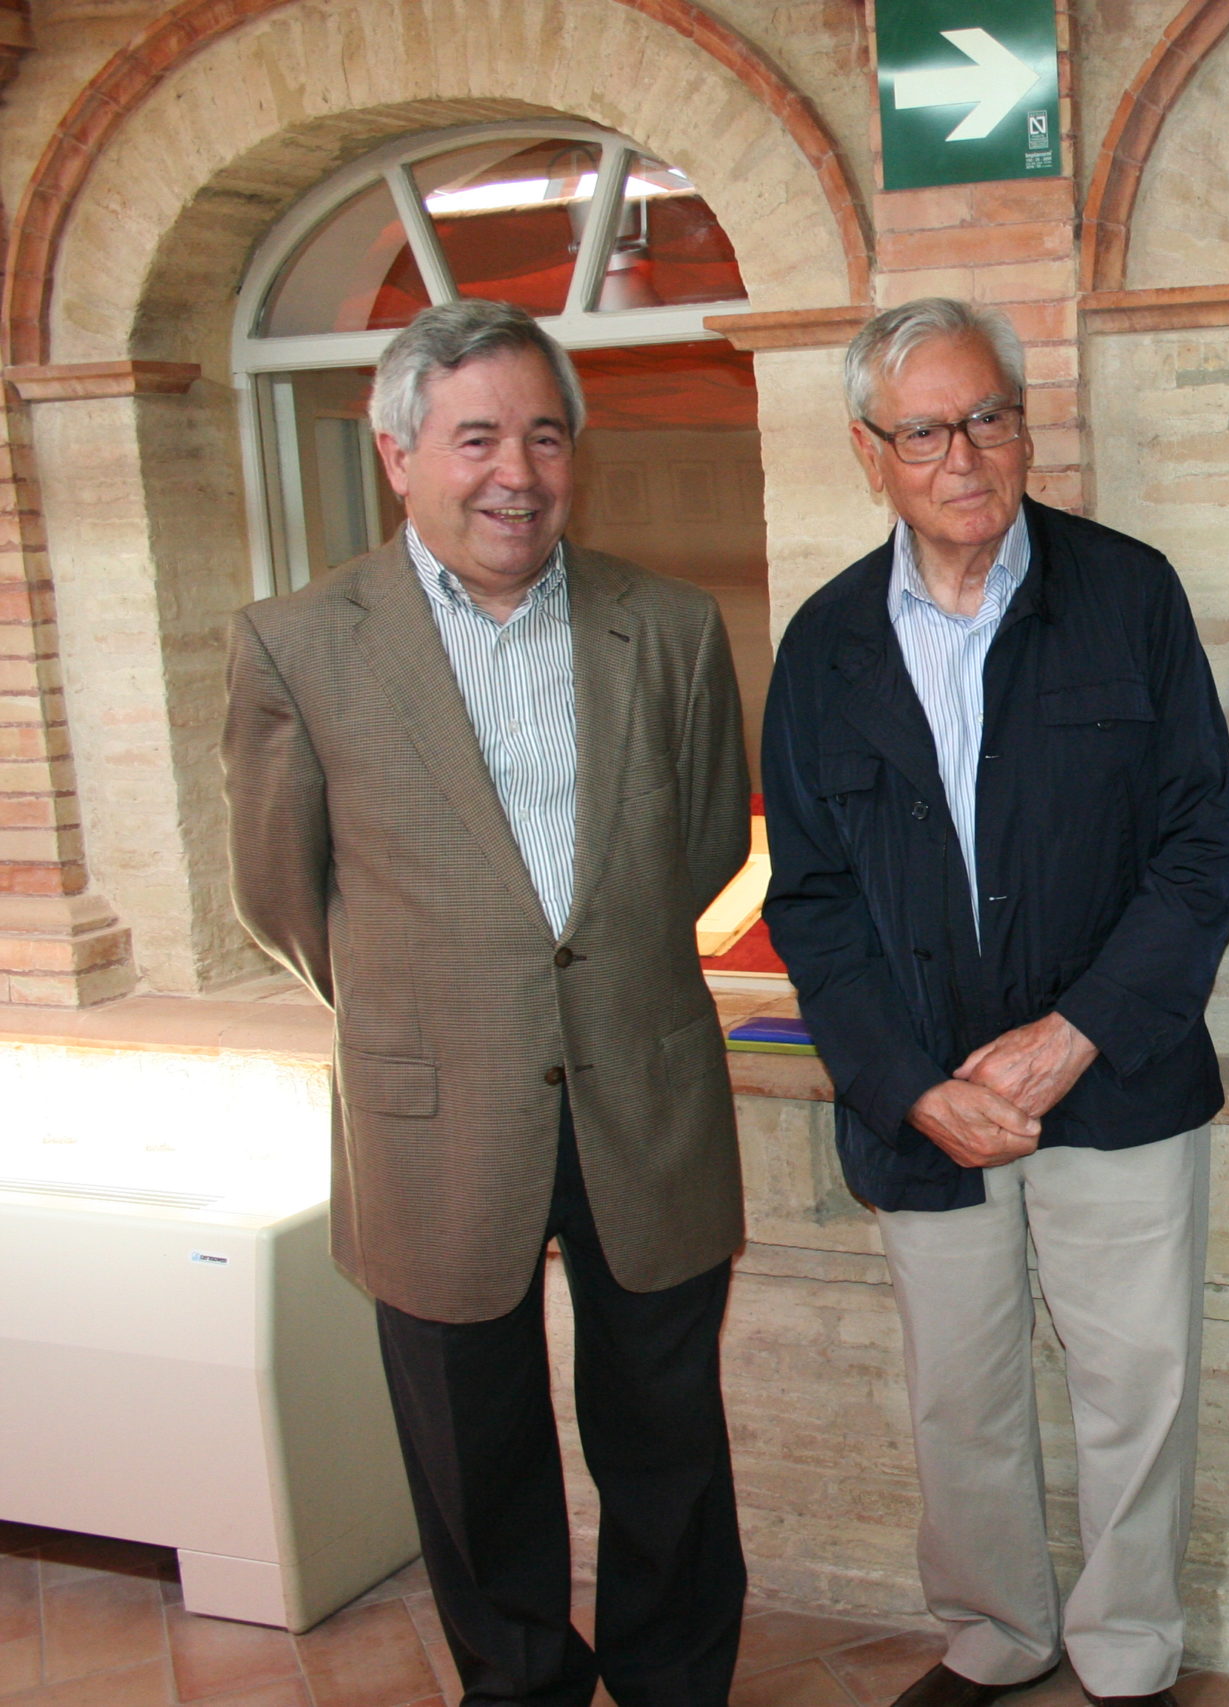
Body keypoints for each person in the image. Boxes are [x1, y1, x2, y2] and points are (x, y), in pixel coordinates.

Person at [224, 298, 751, 1705]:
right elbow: (285, 892)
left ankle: (673, 1681)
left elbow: (701, 849)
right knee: (475, 1454)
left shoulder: (675, 627)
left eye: (543, 434)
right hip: (433, 1108)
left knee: (668, 1442)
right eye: (475, 437)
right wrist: (437, 1000)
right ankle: (519, 1685)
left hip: (643, 1094)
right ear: (399, 454)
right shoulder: (298, 644)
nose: (514, 470)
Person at [760, 297, 1229, 1707]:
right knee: (960, 1400)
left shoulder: (1129, 594)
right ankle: (993, 1636)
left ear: (1025, 426)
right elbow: (813, 902)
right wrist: (914, 1085)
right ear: (872, 449)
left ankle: (1130, 1652)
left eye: (991, 416)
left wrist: (1072, 1031)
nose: (965, 453)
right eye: (926, 429)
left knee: (1134, 1394)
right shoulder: (826, 645)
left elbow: (1200, 848)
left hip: (1120, 1073)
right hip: (924, 1108)